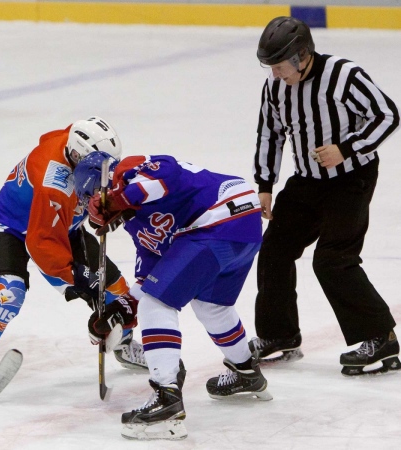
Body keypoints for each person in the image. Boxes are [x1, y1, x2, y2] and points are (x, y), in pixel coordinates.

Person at [74, 151, 272, 441]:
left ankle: (166, 397)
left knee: (158, 304)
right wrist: (119, 311)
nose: (91, 209)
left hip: (219, 217)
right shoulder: (136, 223)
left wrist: (120, 197)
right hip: (240, 228)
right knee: (211, 306)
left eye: (91, 199)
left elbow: (167, 173)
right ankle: (246, 372)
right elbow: (152, 275)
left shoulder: (132, 171)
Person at [0, 117, 146, 406]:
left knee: (115, 287)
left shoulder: (74, 143)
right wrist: (79, 277)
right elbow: (40, 243)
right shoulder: (52, 181)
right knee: (8, 293)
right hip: (11, 229)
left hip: (61, 227)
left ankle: (124, 342)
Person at [250, 16, 400, 376]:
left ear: (302, 56)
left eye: (280, 66)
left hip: (351, 179)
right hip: (308, 180)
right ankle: (278, 335)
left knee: (333, 258)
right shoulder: (275, 89)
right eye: (270, 67)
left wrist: (346, 149)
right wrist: (266, 185)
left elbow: (387, 115)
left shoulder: (343, 75)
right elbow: (270, 134)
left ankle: (381, 338)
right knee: (274, 250)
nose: (275, 75)